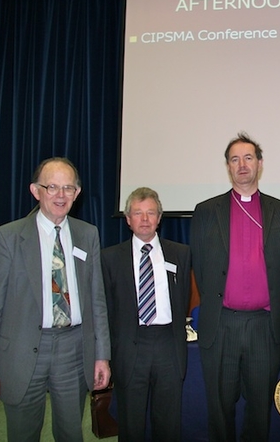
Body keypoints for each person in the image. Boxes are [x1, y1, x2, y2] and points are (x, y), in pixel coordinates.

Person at [0, 157, 111, 441]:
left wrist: (102, 355)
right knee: (23, 433)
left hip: (73, 350)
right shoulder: (8, 237)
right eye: (52, 187)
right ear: (36, 191)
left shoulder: (88, 235)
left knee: (71, 433)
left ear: (77, 193)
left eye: (68, 188)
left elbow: (97, 301)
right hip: (22, 352)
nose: (61, 195)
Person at [190, 131, 280, 442]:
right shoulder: (206, 211)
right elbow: (200, 265)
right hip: (222, 324)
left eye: (248, 158)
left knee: (260, 407)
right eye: (235, 159)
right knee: (220, 407)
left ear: (259, 164)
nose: (242, 164)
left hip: (264, 325)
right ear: (228, 167)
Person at [101, 187, 191, 441]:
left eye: (150, 212)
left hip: (168, 347)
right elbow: (107, 311)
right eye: (138, 213)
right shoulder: (109, 258)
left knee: (168, 423)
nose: (144, 219)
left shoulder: (181, 254)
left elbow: (182, 298)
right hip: (131, 348)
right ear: (127, 219)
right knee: (131, 424)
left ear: (159, 218)